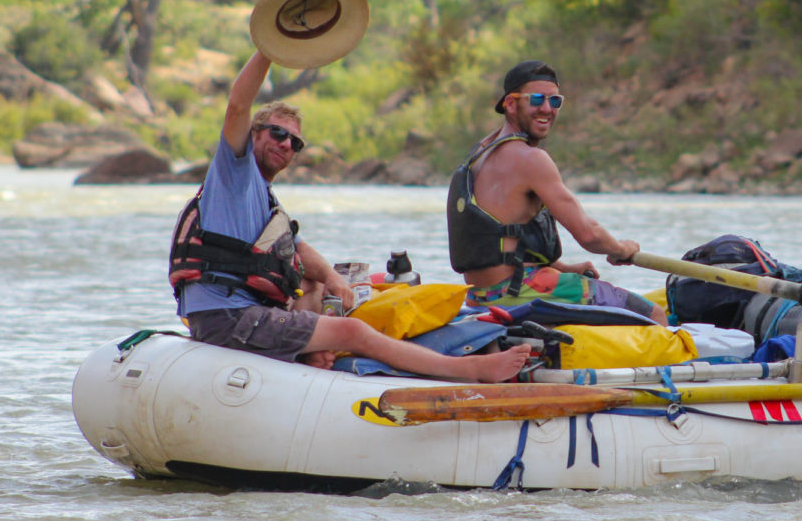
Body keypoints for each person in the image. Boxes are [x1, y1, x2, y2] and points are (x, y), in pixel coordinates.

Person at [170, 49, 532, 380]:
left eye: (295, 142)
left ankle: (307, 355)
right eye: (277, 133)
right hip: (228, 318)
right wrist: (269, 49)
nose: (285, 144)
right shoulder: (234, 173)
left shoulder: (263, 200)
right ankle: (467, 369)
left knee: (312, 283)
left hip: (245, 313)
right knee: (353, 332)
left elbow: (297, 249)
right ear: (253, 135)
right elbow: (238, 104)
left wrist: (333, 279)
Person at [447, 60, 660, 320]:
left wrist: (564, 268)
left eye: (555, 101)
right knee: (653, 313)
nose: (547, 109)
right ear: (510, 104)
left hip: (480, 295)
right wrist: (620, 249)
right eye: (536, 99)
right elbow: (589, 234)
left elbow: (504, 240)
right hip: (520, 288)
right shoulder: (530, 158)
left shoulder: (480, 152)